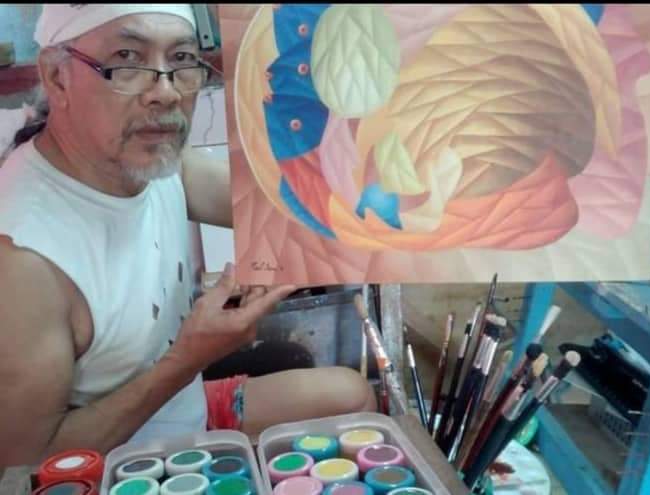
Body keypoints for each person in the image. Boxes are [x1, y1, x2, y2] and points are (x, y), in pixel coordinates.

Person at [0, 4, 376, 468]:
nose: (165, 91)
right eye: (127, 59)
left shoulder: (151, 161)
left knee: (351, 396)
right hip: (121, 459)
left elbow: (289, 209)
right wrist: (186, 360)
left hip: (185, 407)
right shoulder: (22, 257)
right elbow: (26, 466)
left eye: (181, 59)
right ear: (58, 77)